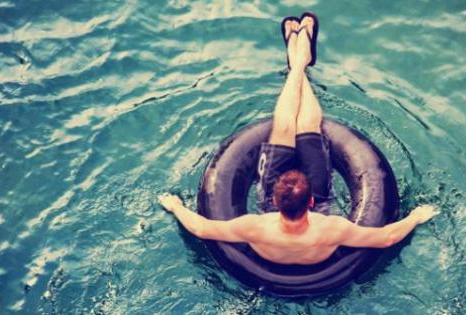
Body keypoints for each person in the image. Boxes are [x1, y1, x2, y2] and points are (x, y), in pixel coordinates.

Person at [158, 13, 439, 265]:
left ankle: (297, 64)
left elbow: (201, 228)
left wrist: (175, 207)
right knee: (307, 126)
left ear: (275, 202)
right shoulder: (331, 230)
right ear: (312, 203)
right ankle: (299, 63)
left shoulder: (255, 227)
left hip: (272, 232)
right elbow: (387, 238)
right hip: (315, 233)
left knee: (283, 127)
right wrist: (415, 217)